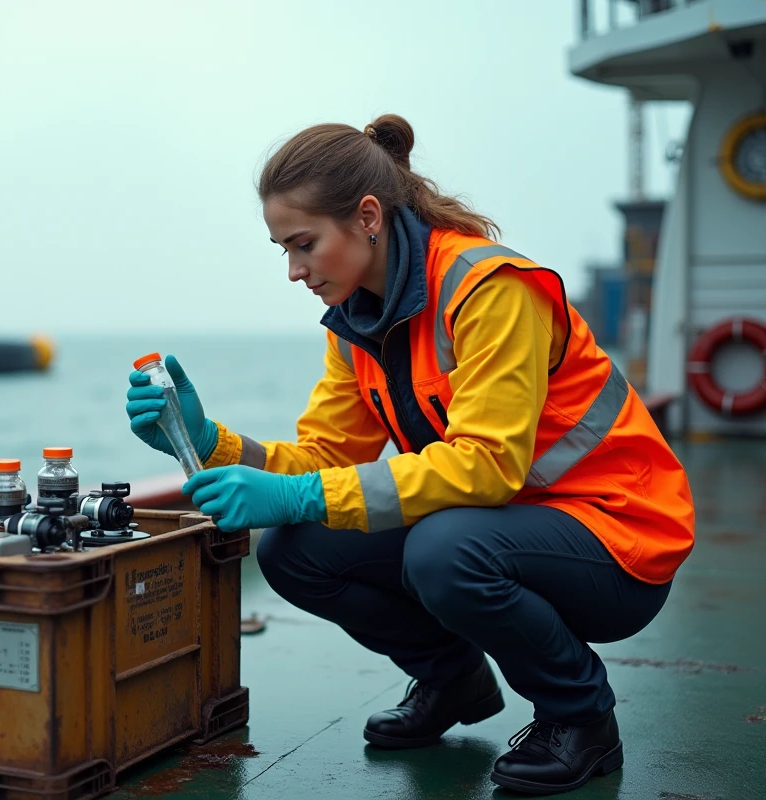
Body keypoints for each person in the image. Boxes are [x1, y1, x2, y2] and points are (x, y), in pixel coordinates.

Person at [124, 114, 694, 796]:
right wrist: (206, 437)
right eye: (282, 250)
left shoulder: (492, 290)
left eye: (303, 245)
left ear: (367, 216)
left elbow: (487, 465)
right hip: (505, 526)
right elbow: (328, 454)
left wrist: (300, 496)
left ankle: (581, 719)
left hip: (619, 542)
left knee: (444, 552)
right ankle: (452, 679)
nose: (294, 271)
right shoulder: (358, 321)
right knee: (292, 550)